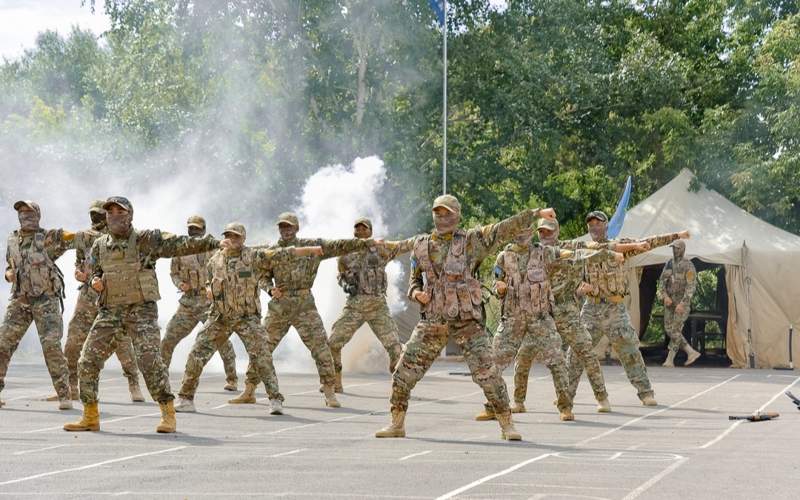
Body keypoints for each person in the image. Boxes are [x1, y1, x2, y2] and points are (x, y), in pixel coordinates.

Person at [375, 194, 555, 441]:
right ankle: (397, 423)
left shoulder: (472, 242)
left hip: (467, 324)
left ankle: (507, 424)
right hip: (433, 322)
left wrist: (535, 214)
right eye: (438, 213)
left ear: (458, 215)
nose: (442, 218)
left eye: (447, 213)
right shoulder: (421, 244)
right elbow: (414, 279)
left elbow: (503, 228)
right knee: (403, 371)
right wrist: (417, 293)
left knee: (488, 375)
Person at [63, 196, 219, 433]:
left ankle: (168, 414)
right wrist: (95, 279)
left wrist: (214, 243)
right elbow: (95, 269)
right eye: (110, 212)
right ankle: (90, 415)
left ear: (130, 215)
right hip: (110, 310)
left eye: (120, 211)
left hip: (141, 310)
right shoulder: (99, 245)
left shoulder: (147, 240)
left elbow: (181, 244)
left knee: (150, 362)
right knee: (87, 361)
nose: (114, 215)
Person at [175, 223, 323, 415]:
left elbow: (282, 254)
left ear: (243, 239)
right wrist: (209, 289)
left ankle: (275, 399)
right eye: (229, 235)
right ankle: (186, 398)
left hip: (247, 318)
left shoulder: (253, 257)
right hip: (220, 316)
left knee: (262, 357)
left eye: (236, 236)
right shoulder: (215, 260)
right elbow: (208, 279)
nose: (231, 239)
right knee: (196, 354)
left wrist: (310, 250)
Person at [0, 201, 74, 410]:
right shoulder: (13, 239)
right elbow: (9, 265)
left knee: (51, 346)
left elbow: (74, 240)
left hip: (46, 300)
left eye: (30, 212)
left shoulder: (49, 238)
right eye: (22, 212)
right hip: (20, 300)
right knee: (3, 343)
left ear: (38, 215)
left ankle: (64, 394)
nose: (26, 215)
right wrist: (8, 274)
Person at [327, 217, 415, 392]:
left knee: (395, 348)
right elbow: (340, 275)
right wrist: (345, 284)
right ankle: (334, 382)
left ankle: (399, 386)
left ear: (370, 231)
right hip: (355, 306)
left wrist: (421, 240)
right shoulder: (345, 254)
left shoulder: (381, 250)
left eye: (364, 229)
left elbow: (402, 245)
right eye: (357, 228)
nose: (360, 231)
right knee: (333, 343)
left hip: (377, 307)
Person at [162, 215, 238, 391]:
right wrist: (180, 283)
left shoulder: (217, 249)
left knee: (221, 340)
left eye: (197, 228)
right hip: (188, 303)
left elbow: (228, 271)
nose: (193, 232)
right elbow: (173, 273)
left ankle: (232, 379)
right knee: (168, 339)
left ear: (204, 230)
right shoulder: (180, 249)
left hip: (210, 303)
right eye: (191, 228)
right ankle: (160, 375)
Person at [658, 240, 700, 367]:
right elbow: (661, 284)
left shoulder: (689, 265)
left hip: (682, 303)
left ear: (682, 249)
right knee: (669, 329)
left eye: (677, 248)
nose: (674, 250)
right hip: (670, 302)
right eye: (673, 248)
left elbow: (691, 286)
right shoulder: (669, 264)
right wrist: (664, 296)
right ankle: (690, 351)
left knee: (676, 329)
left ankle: (670, 360)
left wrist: (683, 303)